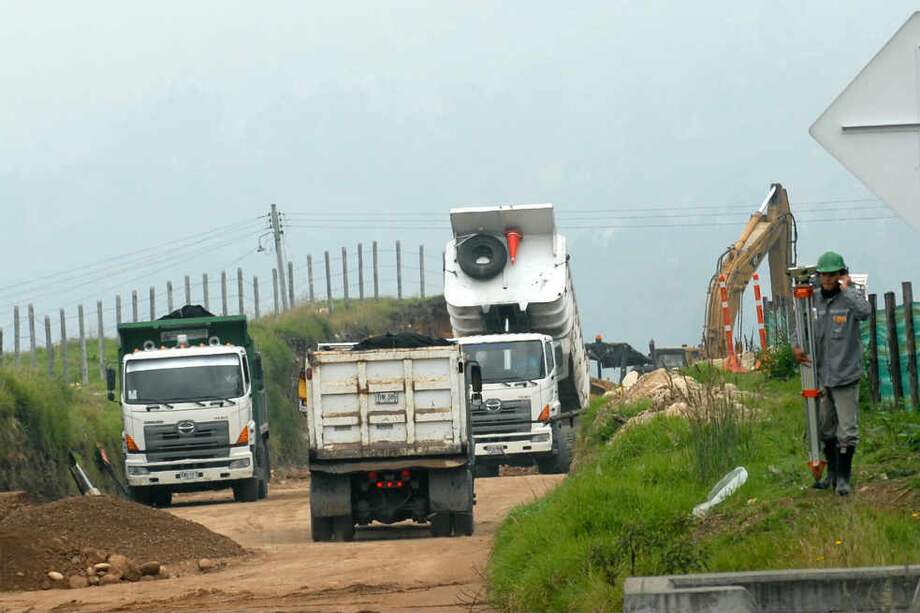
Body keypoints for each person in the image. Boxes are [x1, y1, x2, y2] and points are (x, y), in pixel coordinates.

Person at [792, 251, 871, 496]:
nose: (827, 279)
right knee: (826, 428)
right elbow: (801, 326)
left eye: (832, 274)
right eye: (824, 274)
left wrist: (847, 289)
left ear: (841, 274)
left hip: (845, 375)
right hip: (822, 376)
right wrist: (796, 345)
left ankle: (844, 479)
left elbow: (865, 312)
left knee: (846, 430)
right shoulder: (813, 299)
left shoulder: (850, 298)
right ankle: (832, 475)